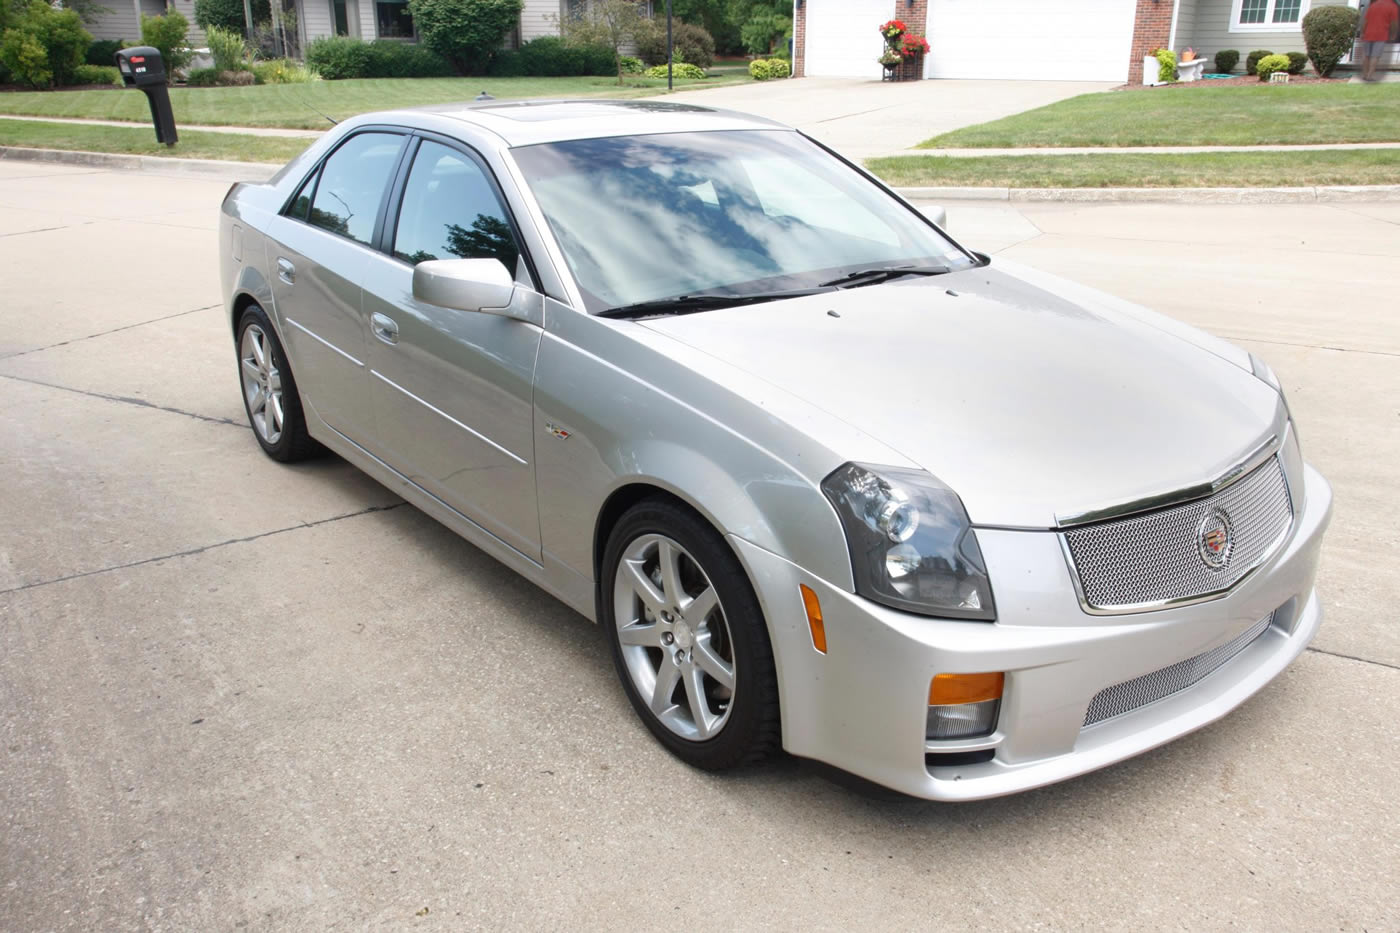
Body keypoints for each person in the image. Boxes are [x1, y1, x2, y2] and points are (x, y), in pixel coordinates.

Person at [1360, 0, 1400, 81]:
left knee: (1366, 55)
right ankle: (1369, 76)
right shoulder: (1393, 6)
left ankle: (1364, 75)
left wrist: (1362, 32)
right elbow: (1394, 23)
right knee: (1375, 56)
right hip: (1381, 35)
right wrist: (1393, 34)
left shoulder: (1373, 5)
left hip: (1368, 33)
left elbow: (1366, 21)